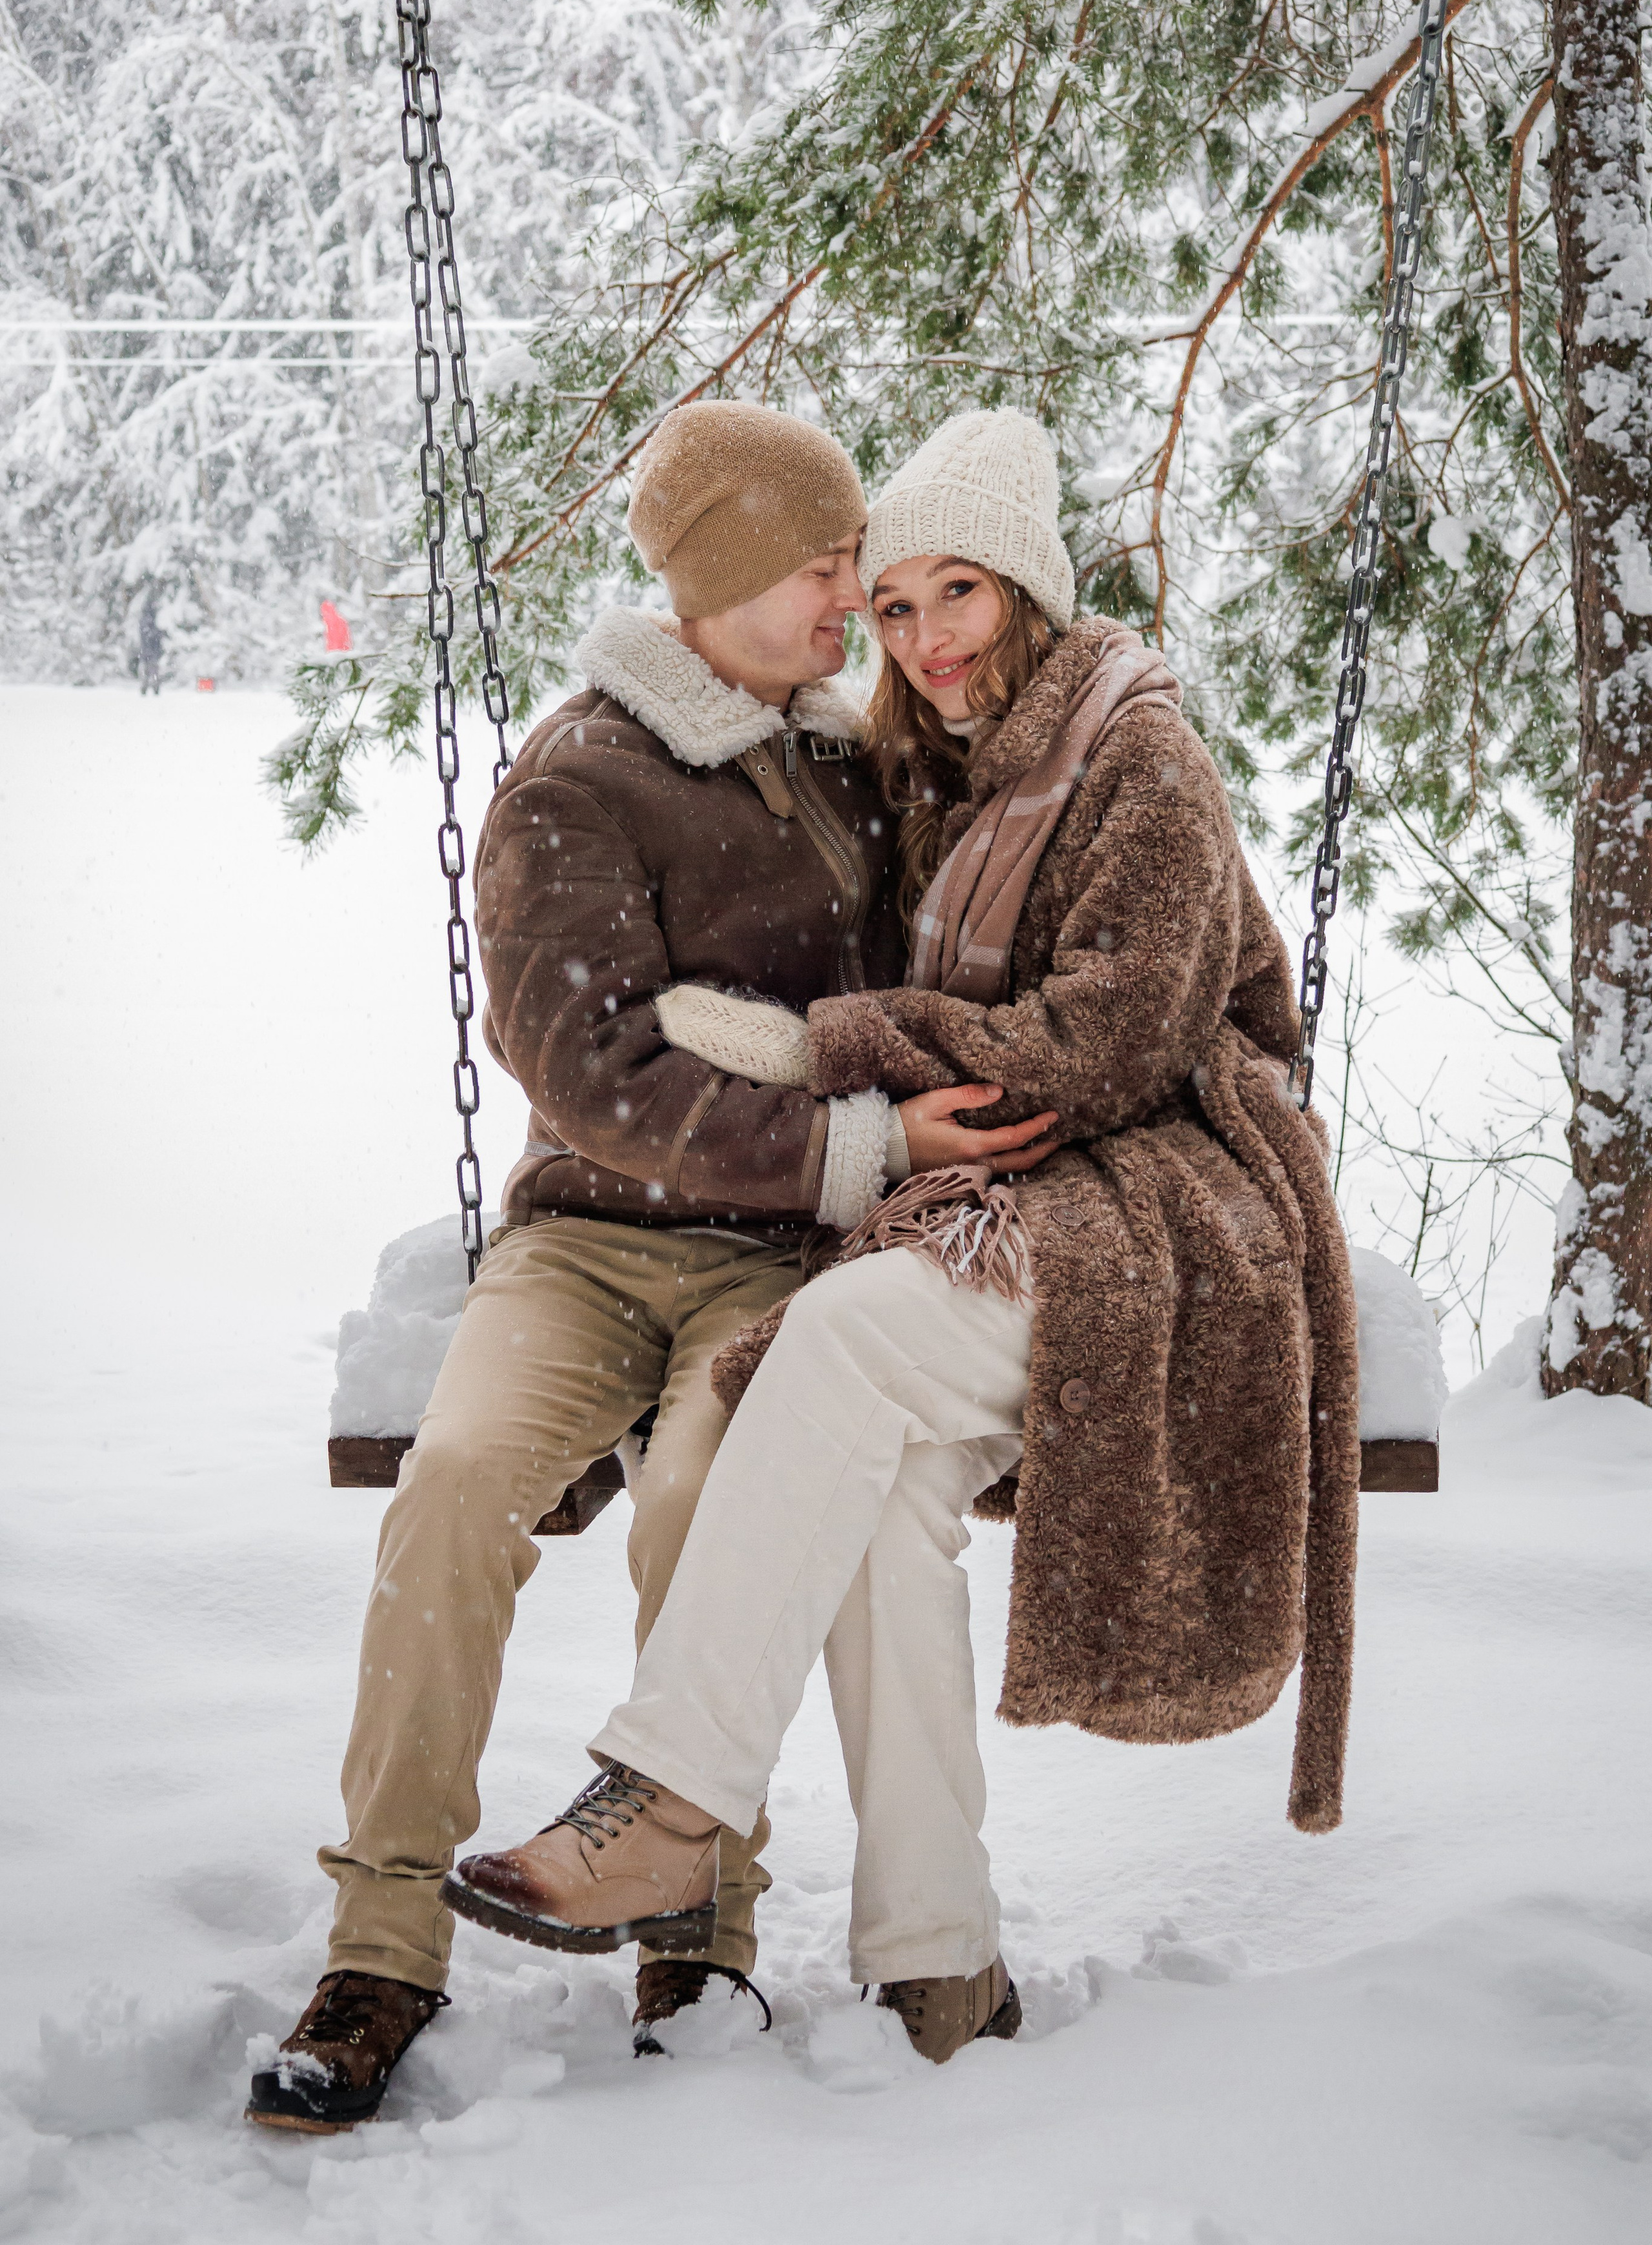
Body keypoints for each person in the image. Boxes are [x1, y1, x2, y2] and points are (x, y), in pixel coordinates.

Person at [441, 409, 1362, 2067]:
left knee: (845, 1337)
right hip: (1028, 1195)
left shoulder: (1132, 750)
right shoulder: (938, 762)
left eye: (963, 596)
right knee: (874, 1510)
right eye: (896, 605)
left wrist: (826, 1048)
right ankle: (941, 1967)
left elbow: (1100, 1049)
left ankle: (666, 1795)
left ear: (1026, 588)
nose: (928, 642)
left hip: (1168, 1205)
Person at [247, 403, 1055, 2133]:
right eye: (832, 572)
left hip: (775, 1270)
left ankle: (694, 1932)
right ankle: (383, 1945)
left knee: (709, 1495)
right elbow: (589, 1069)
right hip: (591, 1246)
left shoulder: (848, 764)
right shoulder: (579, 778)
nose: (855, 608)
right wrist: (852, 1141)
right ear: (734, 572)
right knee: (459, 1484)